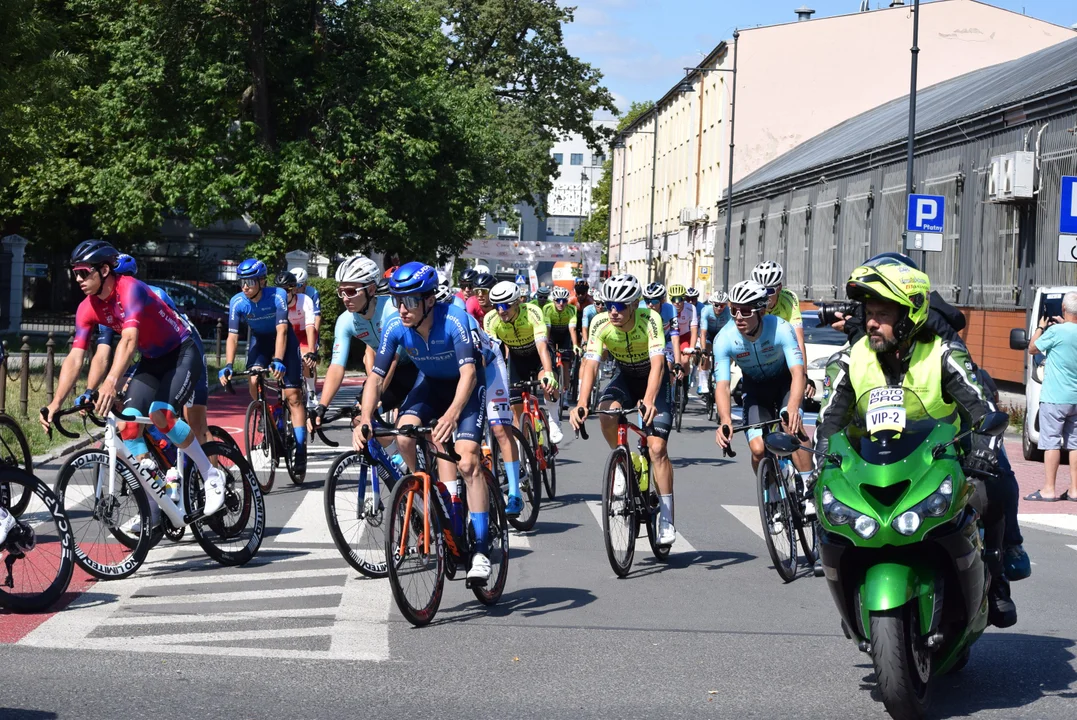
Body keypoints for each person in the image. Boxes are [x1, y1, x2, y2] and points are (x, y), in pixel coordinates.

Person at [812, 257, 1016, 628]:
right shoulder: (848, 360)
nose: (871, 322)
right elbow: (828, 423)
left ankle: (996, 580)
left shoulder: (942, 353)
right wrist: (819, 464)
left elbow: (980, 408)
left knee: (992, 492)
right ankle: (854, 586)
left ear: (909, 314)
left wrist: (984, 446)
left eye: (882, 313)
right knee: (831, 511)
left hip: (941, 458)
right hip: (874, 463)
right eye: (868, 312)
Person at [41, 240, 225, 516]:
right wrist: (55, 402)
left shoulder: (130, 289)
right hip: (152, 360)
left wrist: (111, 381)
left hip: (182, 352)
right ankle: (158, 501)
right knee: (128, 425)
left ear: (104, 270)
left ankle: (211, 474)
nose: (77, 279)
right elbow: (75, 357)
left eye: (83, 272)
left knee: (161, 415)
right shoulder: (87, 307)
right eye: (74, 273)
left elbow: (129, 340)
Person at [359, 262, 493, 581]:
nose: (402, 309)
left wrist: (451, 414)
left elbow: (469, 374)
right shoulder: (395, 327)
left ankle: (482, 550)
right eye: (396, 300)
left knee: (468, 461)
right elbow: (376, 378)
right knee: (404, 437)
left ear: (429, 301)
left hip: (467, 386)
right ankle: (434, 499)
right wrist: (365, 417)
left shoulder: (455, 320)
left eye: (410, 301)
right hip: (431, 383)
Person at [570, 274, 678, 546]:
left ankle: (666, 517)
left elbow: (657, 364)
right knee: (606, 413)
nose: (614, 311)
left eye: (620, 306)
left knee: (657, 449)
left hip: (654, 380)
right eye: (609, 305)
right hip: (626, 377)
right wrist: (582, 403)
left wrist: (650, 399)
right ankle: (622, 463)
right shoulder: (599, 323)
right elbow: (591, 365)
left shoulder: (649, 319)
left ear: (634, 304)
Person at [436, 274, 525, 515]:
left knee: (499, 428)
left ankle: (515, 493)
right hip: (466, 373)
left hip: (488, 365)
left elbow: (478, 365)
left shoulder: (463, 322)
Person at [219, 258, 308, 478]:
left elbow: (283, 332)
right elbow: (232, 336)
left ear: (262, 281)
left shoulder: (277, 295)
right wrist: (228, 365)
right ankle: (267, 418)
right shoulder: (238, 302)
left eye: (250, 281)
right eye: (242, 281)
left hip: (283, 343)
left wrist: (278, 359)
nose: (245, 286)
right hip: (260, 343)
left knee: (293, 395)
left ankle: (301, 447)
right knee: (253, 379)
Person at [713, 280, 809, 476]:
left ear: (761, 311)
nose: (738, 317)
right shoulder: (724, 338)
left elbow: (798, 372)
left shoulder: (781, 328)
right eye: (734, 310)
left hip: (784, 383)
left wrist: (792, 407)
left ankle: (809, 488)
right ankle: (771, 493)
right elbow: (722, 385)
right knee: (757, 449)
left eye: (746, 311)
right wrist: (725, 420)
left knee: (791, 427)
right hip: (755, 387)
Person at [483, 281, 564, 444]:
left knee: (547, 383)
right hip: (516, 359)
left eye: (505, 305)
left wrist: (548, 373)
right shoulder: (490, 319)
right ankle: (524, 446)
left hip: (537, 354)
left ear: (517, 303)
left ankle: (554, 420)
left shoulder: (532, 312)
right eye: (496, 305)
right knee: (515, 407)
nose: (500, 310)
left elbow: (542, 346)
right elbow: (491, 352)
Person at [1026, 291, 1077, 503]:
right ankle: (1075, 490)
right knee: (1075, 444)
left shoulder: (1055, 331)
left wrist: (1040, 327)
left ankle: (1049, 489)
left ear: (1064, 309)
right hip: (1075, 398)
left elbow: (1032, 348)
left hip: (1055, 397)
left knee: (1052, 443)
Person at [752, 261, 813, 399]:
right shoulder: (751, 300)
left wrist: (804, 375)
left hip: (781, 355)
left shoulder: (789, 299)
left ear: (779, 288)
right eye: (760, 290)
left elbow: (798, 340)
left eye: (769, 291)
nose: (764, 295)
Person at [277, 271, 319, 408]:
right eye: (280, 291)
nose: (283, 295)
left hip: (304, 335)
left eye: (286, 291)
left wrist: (312, 351)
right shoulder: (276, 303)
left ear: (294, 290)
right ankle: (283, 405)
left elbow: (310, 328)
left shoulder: (304, 300)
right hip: (287, 336)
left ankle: (311, 393)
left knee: (307, 359)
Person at [290, 267, 322, 405]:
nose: (295, 289)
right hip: (292, 330)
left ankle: (311, 392)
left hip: (307, 330)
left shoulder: (311, 294)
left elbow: (317, 317)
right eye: (293, 285)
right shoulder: (286, 295)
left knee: (308, 359)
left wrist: (314, 341)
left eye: (298, 286)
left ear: (305, 285)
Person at [641, 282, 683, 385]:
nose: (650, 305)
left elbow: (675, 338)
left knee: (667, 364)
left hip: (666, 340)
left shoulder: (670, 309)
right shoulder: (640, 308)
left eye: (654, 301)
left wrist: (677, 363)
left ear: (662, 301)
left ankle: (668, 392)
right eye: (647, 301)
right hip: (646, 341)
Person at [543, 286, 579, 400]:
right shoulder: (547, 308)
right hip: (552, 333)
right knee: (550, 359)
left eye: (564, 301)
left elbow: (572, 329)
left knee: (566, 362)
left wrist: (575, 345)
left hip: (565, 334)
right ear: (554, 300)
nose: (561, 303)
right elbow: (547, 329)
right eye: (558, 300)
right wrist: (546, 345)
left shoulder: (572, 309)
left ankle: (565, 391)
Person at [698, 290, 730, 395]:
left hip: (721, 335)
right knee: (705, 352)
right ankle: (703, 382)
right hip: (708, 334)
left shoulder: (729, 312)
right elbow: (703, 333)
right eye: (717, 305)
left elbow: (731, 333)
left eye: (722, 305)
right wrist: (703, 351)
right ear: (712, 303)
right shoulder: (706, 310)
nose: (719, 308)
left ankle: (719, 375)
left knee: (725, 353)